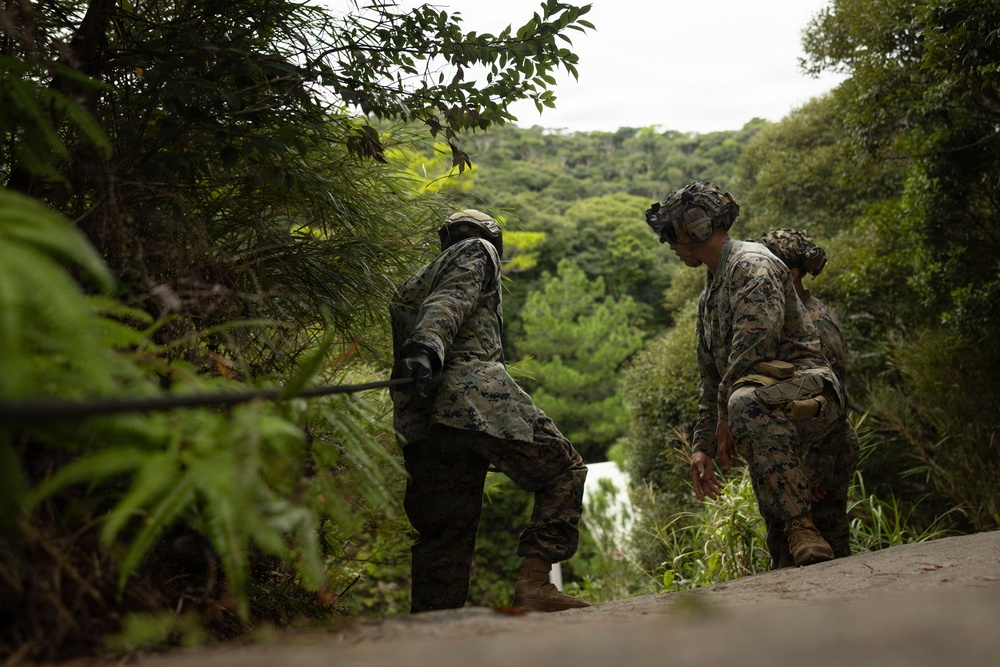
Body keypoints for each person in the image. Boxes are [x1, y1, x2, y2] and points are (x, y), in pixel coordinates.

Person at [389, 209, 590, 613]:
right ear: (492, 239)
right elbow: (451, 299)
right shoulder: (477, 249)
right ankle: (534, 583)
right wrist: (427, 346)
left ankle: (434, 624)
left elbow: (439, 303)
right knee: (563, 471)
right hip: (475, 399)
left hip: (423, 420)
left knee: (445, 530)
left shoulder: (408, 287)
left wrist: (420, 354)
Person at [644, 182, 845, 567]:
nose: (670, 245)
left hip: (809, 391)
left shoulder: (753, 265)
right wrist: (700, 447)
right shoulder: (710, 293)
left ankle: (802, 526)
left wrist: (725, 414)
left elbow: (755, 348)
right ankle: (795, 553)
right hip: (765, 403)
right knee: (784, 550)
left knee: (744, 404)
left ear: (695, 229)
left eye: (672, 234)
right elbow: (710, 378)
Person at [756, 229, 860, 567]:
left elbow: (834, 401)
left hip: (821, 456)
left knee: (831, 559)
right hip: (789, 461)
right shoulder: (783, 316)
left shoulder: (815, 322)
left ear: (791, 273)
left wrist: (816, 470)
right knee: (784, 557)